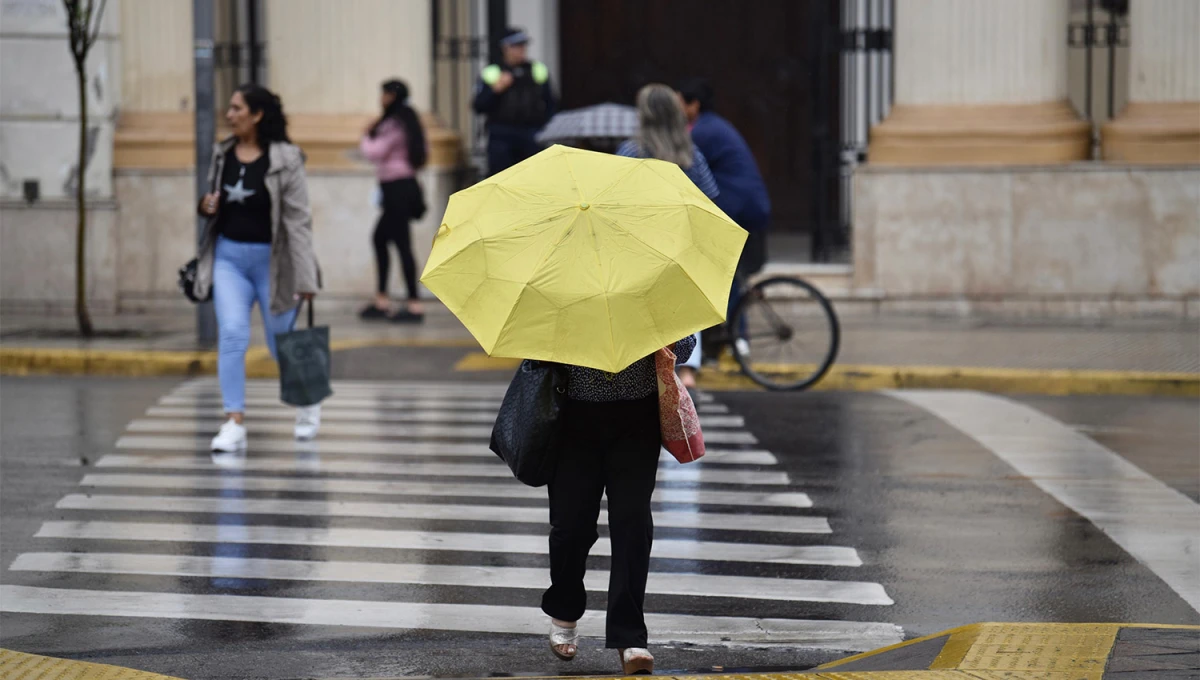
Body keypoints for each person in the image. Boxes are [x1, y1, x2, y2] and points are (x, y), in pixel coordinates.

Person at [540, 84, 708, 676]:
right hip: (576, 421)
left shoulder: (651, 269)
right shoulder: (561, 274)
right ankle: (563, 611)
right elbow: (536, 347)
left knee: (633, 525)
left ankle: (629, 636)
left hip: (636, 415)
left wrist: (659, 330)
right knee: (572, 528)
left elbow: (684, 343)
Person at [195, 84, 321, 452]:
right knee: (233, 334)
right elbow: (211, 207)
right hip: (229, 259)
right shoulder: (223, 154)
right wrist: (206, 205)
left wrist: (305, 275)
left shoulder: (286, 159)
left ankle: (307, 401)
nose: (229, 114)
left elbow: (298, 221)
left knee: (281, 339)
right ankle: (234, 421)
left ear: (257, 115)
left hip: (273, 263)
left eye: (236, 108)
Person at [616, 84, 720, 390]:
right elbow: (710, 196)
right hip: (680, 241)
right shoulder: (690, 153)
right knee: (685, 308)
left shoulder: (631, 152)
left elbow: (614, 199)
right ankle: (686, 369)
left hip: (642, 244)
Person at [677, 77, 771, 358]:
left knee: (722, 278)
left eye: (680, 102)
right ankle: (732, 339)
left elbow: (687, 170)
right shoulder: (711, 126)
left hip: (739, 211)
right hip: (744, 208)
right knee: (729, 278)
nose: (677, 108)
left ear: (694, 104)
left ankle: (731, 338)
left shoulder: (704, 133)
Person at [359, 79, 429, 323]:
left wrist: (366, 135)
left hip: (397, 188)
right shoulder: (409, 121)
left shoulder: (394, 123)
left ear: (391, 96)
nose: (380, 98)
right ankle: (384, 299)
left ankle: (413, 304)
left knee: (399, 243)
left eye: (384, 94)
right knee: (383, 239)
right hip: (399, 186)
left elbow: (374, 152)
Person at [472, 27, 556, 176]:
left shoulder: (537, 70)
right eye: (516, 46)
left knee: (533, 178)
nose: (521, 50)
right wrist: (495, 90)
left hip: (531, 133)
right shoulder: (492, 72)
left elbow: (551, 103)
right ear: (505, 48)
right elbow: (478, 105)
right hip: (501, 135)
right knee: (502, 178)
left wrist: (544, 127)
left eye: (523, 46)